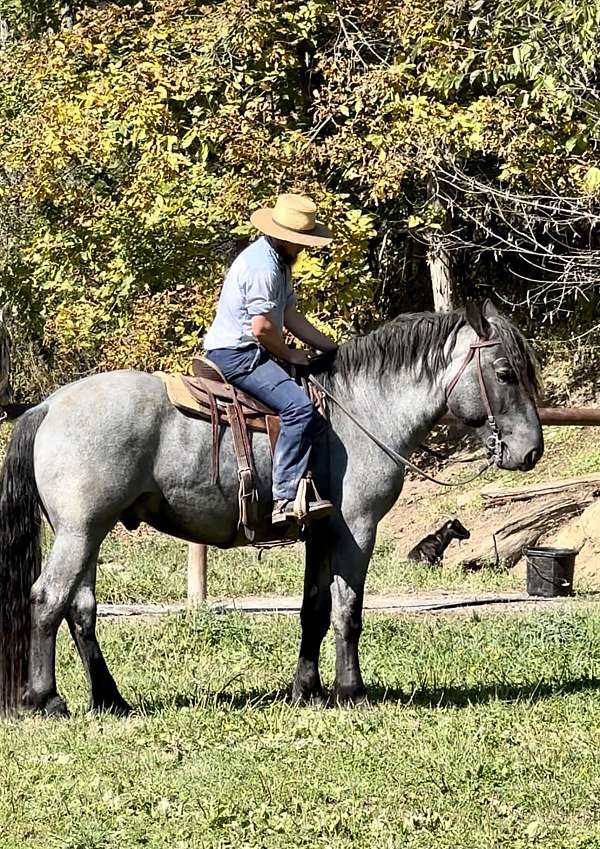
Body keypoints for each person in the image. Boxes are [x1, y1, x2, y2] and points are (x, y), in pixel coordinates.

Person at [204, 193, 338, 525]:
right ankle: (285, 497)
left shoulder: (279, 263)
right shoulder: (263, 267)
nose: (303, 247)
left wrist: (332, 348)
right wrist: (291, 352)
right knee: (299, 408)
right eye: (299, 241)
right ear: (282, 236)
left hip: (250, 351)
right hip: (237, 355)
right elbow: (263, 328)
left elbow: (289, 315)